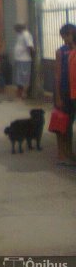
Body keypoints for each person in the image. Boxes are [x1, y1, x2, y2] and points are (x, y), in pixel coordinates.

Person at [54, 24, 76, 165]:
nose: (65, 39)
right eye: (64, 36)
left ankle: (70, 151)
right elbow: (57, 75)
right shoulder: (61, 52)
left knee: (70, 122)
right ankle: (63, 152)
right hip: (64, 92)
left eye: (67, 36)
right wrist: (58, 96)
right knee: (63, 123)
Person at [13, 23, 35, 99]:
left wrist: (32, 55)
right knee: (20, 77)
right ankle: (20, 93)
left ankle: (24, 93)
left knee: (24, 77)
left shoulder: (26, 34)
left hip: (25, 59)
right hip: (19, 58)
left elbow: (30, 46)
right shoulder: (20, 34)